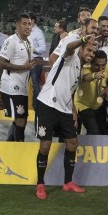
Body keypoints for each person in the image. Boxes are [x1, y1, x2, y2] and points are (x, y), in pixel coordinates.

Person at [35, 35, 97, 200]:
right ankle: (40, 184)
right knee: (45, 146)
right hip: (47, 104)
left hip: (64, 110)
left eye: (93, 51)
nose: (91, 53)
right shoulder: (70, 57)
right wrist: (83, 40)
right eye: (88, 50)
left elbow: (70, 89)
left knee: (72, 143)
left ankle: (68, 182)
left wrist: (73, 108)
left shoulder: (80, 68)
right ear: (82, 49)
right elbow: (69, 47)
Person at [0, 13, 35, 141]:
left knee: (21, 117)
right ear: (17, 25)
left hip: (22, 86)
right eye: (24, 24)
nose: (28, 27)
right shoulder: (11, 41)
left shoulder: (29, 42)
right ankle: (19, 144)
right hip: (12, 86)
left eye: (29, 24)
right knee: (21, 118)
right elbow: (1, 63)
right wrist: (23, 68)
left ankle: (10, 143)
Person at [74, 49, 108, 135]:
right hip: (83, 105)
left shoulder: (106, 68)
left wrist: (107, 88)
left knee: (105, 132)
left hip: (98, 105)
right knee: (94, 132)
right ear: (91, 63)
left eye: (102, 65)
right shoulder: (85, 69)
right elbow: (86, 77)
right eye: (97, 65)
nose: (100, 68)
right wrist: (94, 75)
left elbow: (107, 81)